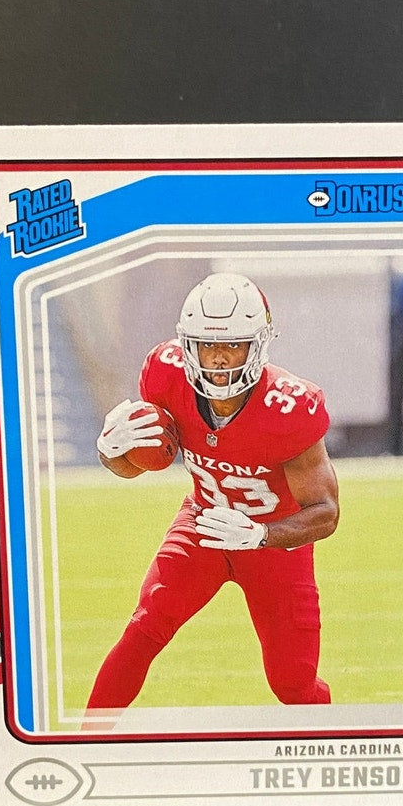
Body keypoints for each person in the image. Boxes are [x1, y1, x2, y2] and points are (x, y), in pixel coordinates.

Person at [86, 272, 339, 714]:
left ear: (258, 345)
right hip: (202, 525)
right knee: (144, 630)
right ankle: (83, 745)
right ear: (188, 345)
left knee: (292, 685)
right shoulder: (166, 375)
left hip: (274, 545)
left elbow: (326, 512)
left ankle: (329, 742)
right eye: (206, 345)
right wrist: (109, 452)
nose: (219, 358)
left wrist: (261, 535)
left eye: (233, 344)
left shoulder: (290, 407)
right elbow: (137, 464)